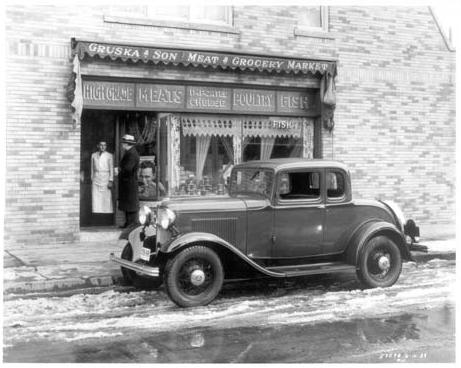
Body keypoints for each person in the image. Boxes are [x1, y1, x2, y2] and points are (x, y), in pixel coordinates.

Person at [118, 134, 140, 228]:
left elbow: (128, 169)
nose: (122, 145)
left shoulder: (132, 154)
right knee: (128, 205)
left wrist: (119, 170)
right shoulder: (130, 152)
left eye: (123, 143)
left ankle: (130, 226)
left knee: (130, 206)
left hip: (129, 183)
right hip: (127, 183)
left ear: (127, 143)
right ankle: (128, 224)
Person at [90, 141, 114, 214]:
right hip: (96, 177)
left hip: (105, 178)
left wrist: (111, 180)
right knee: (96, 197)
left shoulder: (109, 155)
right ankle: (96, 213)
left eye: (104, 145)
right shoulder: (93, 155)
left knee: (106, 197)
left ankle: (106, 213)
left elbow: (111, 168)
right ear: (98, 146)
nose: (103, 147)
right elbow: (92, 168)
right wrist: (92, 177)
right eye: (101, 145)